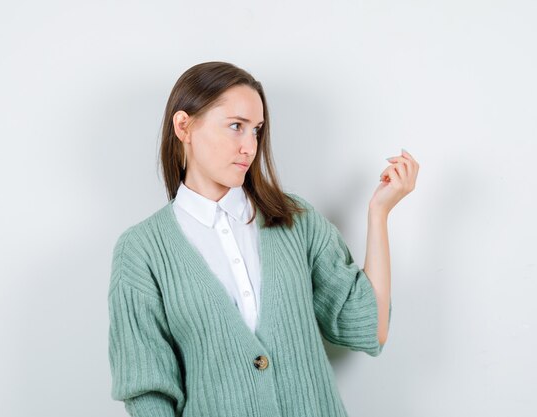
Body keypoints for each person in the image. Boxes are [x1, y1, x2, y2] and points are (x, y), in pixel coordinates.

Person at [107, 61, 419, 417]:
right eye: (236, 127)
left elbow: (370, 328)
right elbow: (148, 392)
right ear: (184, 126)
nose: (249, 147)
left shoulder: (294, 220)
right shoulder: (142, 250)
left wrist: (379, 214)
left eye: (256, 130)